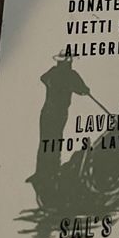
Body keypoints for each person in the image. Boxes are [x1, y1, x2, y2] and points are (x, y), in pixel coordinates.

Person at [28, 51, 89, 196]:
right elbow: (84, 90)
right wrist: (77, 88)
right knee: (55, 141)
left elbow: (44, 78)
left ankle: (42, 172)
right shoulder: (71, 75)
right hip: (58, 114)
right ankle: (51, 172)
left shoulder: (53, 72)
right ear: (69, 62)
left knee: (45, 141)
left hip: (47, 112)